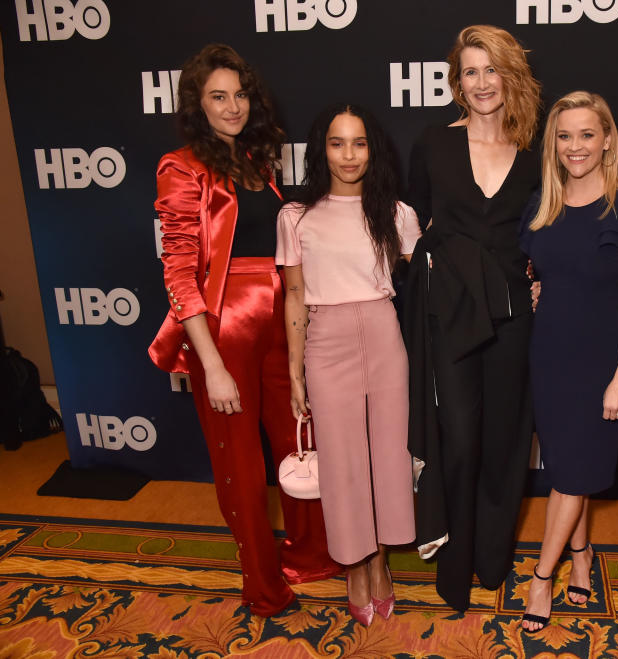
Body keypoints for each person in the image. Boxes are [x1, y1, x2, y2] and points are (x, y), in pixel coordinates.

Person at [147, 44, 340, 617]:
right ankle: (261, 582)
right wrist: (209, 364)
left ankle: (310, 554)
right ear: (197, 105)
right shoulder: (179, 166)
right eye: (218, 97)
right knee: (240, 463)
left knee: (298, 441)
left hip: (281, 320)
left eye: (239, 95)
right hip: (225, 326)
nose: (232, 107)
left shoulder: (258, 162)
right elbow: (179, 272)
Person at [403, 24, 542, 612]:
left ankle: (492, 558)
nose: (482, 83)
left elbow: (547, 236)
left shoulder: (536, 158)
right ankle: (455, 563)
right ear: (457, 82)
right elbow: (411, 225)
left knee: (506, 441)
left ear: (510, 76)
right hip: (451, 316)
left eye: (492, 70)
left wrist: (543, 281)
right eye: (470, 72)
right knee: (459, 440)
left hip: (513, 316)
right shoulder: (433, 143)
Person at [518, 91, 618, 632]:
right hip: (549, 356)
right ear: (553, 144)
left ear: (607, 140)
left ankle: (542, 576)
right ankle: (581, 557)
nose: (575, 146)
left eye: (587, 134)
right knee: (566, 470)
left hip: (602, 364)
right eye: (564, 135)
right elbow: (540, 276)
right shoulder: (541, 207)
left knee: (572, 474)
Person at [276, 104, 418, 627]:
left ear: (372, 149)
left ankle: (381, 562)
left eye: (359, 143)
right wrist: (295, 373)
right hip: (325, 340)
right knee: (342, 465)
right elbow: (293, 297)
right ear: (322, 150)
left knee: (386, 457)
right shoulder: (296, 217)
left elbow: (427, 284)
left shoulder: (396, 215)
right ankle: (355, 568)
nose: (349, 154)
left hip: (384, 336)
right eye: (337, 143)